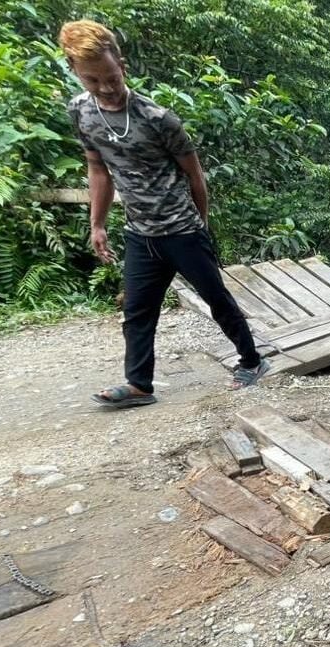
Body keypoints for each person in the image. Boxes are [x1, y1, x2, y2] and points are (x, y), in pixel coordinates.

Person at [59, 20, 268, 408]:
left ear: (121, 64)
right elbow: (98, 169)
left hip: (182, 230)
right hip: (140, 232)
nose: (105, 87)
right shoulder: (81, 112)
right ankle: (139, 385)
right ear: (74, 71)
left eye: (110, 77)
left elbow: (195, 176)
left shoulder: (158, 118)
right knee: (137, 311)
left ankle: (252, 361)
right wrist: (97, 224)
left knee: (216, 298)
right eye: (93, 80)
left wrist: (200, 227)